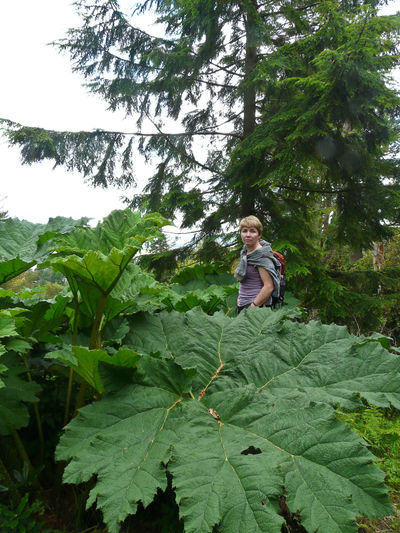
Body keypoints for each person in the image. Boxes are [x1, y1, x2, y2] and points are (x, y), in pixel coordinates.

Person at [234, 215, 280, 313]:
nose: (248, 235)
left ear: (259, 235)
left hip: (257, 308)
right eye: (244, 231)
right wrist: (239, 299)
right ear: (241, 233)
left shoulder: (262, 255)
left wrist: (253, 306)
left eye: (252, 231)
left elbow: (269, 286)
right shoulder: (245, 252)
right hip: (243, 304)